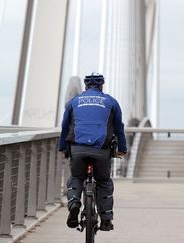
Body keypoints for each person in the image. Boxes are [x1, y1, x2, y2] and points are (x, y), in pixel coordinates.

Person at [58, 72, 127, 231]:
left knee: (76, 177)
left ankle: (74, 202)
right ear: (101, 86)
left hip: (78, 149)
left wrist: (62, 147)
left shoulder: (74, 102)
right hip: (101, 151)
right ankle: (106, 220)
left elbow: (64, 127)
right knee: (103, 181)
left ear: (86, 86)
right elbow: (119, 128)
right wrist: (122, 149)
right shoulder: (111, 102)